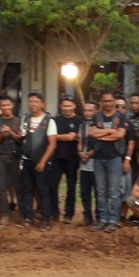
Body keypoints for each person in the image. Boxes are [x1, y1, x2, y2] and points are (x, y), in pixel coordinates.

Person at [88, 90, 128, 233]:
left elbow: (120, 135)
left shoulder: (120, 117)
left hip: (114, 158)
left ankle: (113, 220)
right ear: (101, 102)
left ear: (114, 101)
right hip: (98, 158)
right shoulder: (96, 116)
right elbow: (91, 133)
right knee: (100, 191)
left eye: (110, 101)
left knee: (114, 192)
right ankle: (103, 219)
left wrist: (100, 134)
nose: (108, 103)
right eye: (105, 101)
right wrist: (110, 131)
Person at [18, 91, 57, 232]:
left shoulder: (49, 120)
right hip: (26, 160)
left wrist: (42, 162)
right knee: (27, 190)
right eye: (30, 101)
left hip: (41, 162)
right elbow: (21, 137)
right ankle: (28, 217)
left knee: (43, 191)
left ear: (42, 104)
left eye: (36, 101)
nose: (32, 104)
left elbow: (52, 144)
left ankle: (45, 220)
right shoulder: (25, 118)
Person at [0, 95, 23, 226]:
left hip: (15, 158)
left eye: (8, 105)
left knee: (18, 186)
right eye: (3, 105)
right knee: (1, 187)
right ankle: (4, 214)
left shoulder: (19, 121)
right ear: (0, 106)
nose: (6, 107)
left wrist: (11, 133)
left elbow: (21, 139)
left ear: (12, 105)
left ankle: (22, 214)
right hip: (0, 158)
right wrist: (1, 135)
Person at [51, 95, 82, 224]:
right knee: (53, 185)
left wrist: (57, 137)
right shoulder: (55, 120)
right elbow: (65, 137)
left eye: (69, 105)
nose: (67, 108)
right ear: (61, 106)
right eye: (64, 106)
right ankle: (54, 212)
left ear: (74, 106)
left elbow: (75, 137)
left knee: (71, 188)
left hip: (72, 159)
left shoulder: (79, 120)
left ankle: (69, 214)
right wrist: (67, 137)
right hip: (57, 157)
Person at [76, 100, 99, 226]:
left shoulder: (100, 125)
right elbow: (80, 142)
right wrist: (80, 152)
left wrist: (89, 154)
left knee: (98, 192)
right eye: (85, 110)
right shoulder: (82, 126)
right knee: (84, 192)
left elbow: (99, 144)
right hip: (84, 165)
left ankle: (99, 217)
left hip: (96, 164)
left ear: (96, 111)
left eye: (90, 110)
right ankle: (87, 216)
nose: (87, 113)